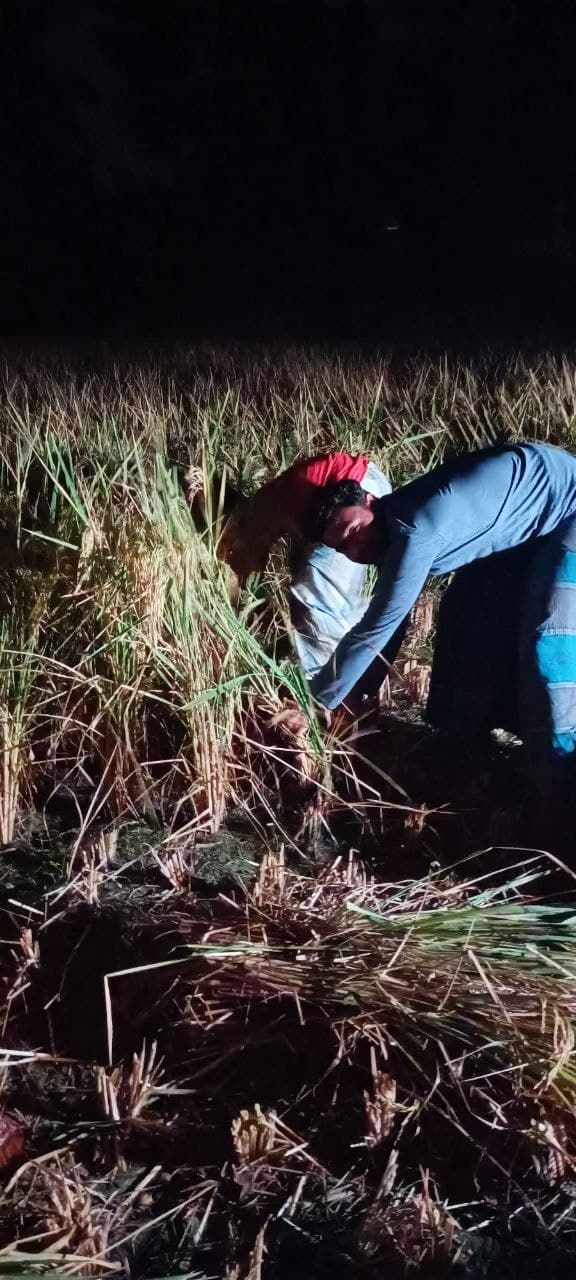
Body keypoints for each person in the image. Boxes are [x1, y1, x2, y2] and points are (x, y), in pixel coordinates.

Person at [308, 442, 576, 772]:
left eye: (354, 531)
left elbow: (380, 624)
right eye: (343, 547)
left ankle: (558, 770)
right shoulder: (386, 533)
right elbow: (395, 626)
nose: (356, 548)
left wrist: (316, 700)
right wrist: (356, 694)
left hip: (567, 503)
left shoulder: (414, 530)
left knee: (547, 632)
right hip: (523, 526)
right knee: (464, 613)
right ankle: (464, 739)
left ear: (370, 501)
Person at [219, 450, 392, 683]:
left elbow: (244, 564)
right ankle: (345, 667)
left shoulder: (262, 514)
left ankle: (315, 692)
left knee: (315, 603)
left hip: (354, 495)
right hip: (367, 479)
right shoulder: (279, 505)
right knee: (322, 595)